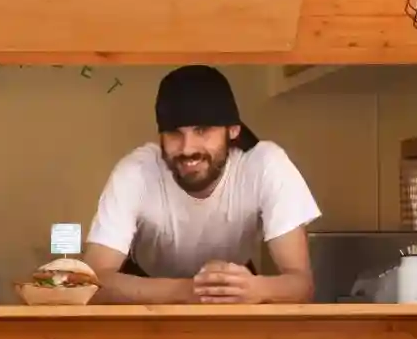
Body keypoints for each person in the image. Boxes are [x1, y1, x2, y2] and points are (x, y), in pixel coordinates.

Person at [82, 65, 320, 305]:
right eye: (175, 133)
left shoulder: (266, 164)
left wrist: (258, 289)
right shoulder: (135, 172)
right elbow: (92, 282)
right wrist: (191, 291)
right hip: (143, 290)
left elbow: (302, 285)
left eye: (202, 130)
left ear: (233, 130)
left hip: (239, 289)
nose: (187, 148)